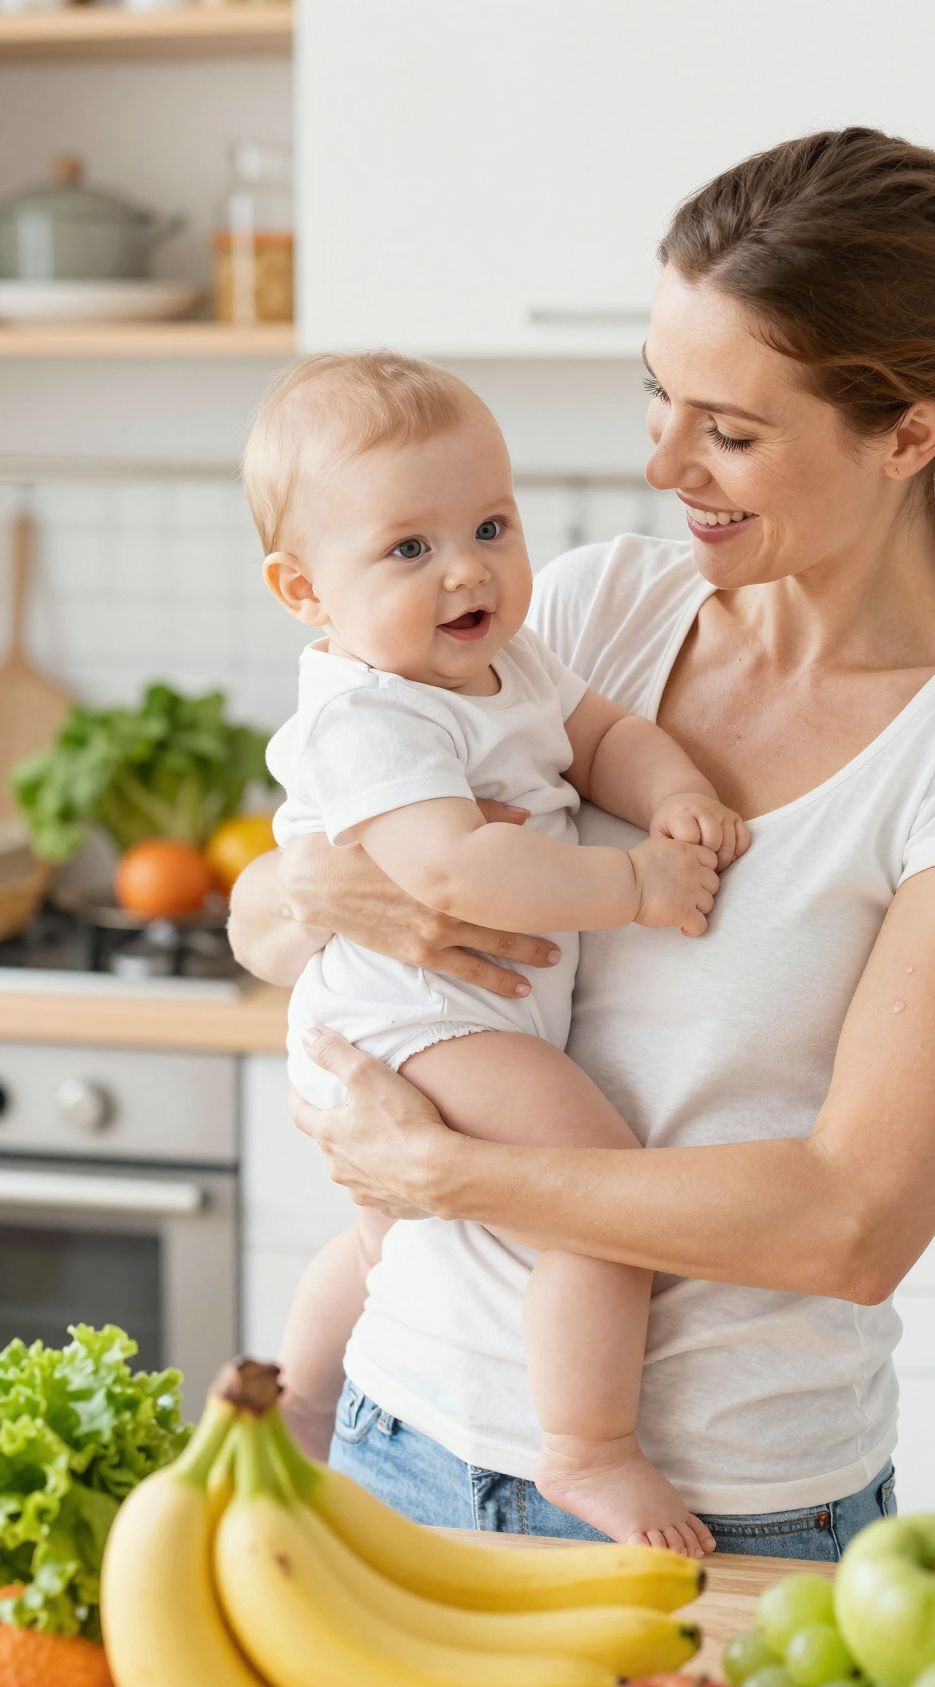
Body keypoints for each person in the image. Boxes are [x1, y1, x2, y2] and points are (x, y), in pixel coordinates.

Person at [230, 129, 935, 1561]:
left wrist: (444, 1174)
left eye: (729, 430)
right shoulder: (588, 610)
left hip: (716, 1509)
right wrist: (325, 895)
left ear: (909, 433)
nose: (661, 464)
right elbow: (274, 914)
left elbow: (851, 1222)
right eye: (660, 395)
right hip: (402, 1440)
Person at [247, 350, 748, 1555]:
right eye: (408, 549)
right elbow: (457, 872)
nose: (468, 567)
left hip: (461, 1018)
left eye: (490, 523)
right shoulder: (372, 713)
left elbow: (604, 734)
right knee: (603, 1188)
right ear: (305, 590)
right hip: (420, 1023)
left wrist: (672, 785)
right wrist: (637, 880)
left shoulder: (504, 659)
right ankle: (587, 1446)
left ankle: (298, 1400)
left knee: (386, 1237)